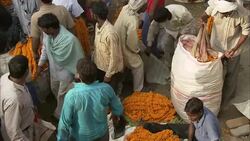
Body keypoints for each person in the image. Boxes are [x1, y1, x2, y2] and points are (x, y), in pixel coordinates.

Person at [57, 58, 123, 141]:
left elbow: (64, 124)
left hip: (80, 137)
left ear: (79, 76)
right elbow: (118, 110)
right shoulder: (106, 89)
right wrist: (115, 114)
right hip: (102, 134)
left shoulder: (71, 95)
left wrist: (61, 139)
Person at [202, 0, 250, 105]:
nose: (223, 15)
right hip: (216, 45)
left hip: (233, 47)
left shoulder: (243, 14)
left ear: (232, 9)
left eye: (226, 13)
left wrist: (234, 48)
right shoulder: (215, 6)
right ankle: (215, 95)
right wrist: (203, 20)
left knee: (231, 73)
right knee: (216, 70)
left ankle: (227, 97)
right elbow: (205, 15)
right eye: (221, 13)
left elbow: (245, 32)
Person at [37, 13, 84, 119]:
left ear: (52, 28)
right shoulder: (47, 36)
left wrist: (78, 75)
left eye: (45, 30)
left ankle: (61, 116)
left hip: (66, 75)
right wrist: (40, 64)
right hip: (54, 73)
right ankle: (62, 112)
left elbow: (79, 59)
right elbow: (45, 49)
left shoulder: (70, 40)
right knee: (55, 91)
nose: (43, 32)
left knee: (63, 96)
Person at [92, 1, 124, 94]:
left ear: (95, 15)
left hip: (110, 71)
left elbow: (115, 57)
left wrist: (108, 75)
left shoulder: (110, 33)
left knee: (110, 93)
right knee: (102, 91)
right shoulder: (97, 26)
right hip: (99, 66)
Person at [114, 0, 147, 91]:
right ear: (140, 6)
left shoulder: (126, 8)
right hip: (123, 46)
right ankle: (138, 90)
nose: (147, 6)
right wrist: (137, 51)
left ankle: (125, 79)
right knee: (138, 65)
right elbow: (131, 43)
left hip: (117, 40)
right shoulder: (132, 20)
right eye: (146, 4)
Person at [0, 55, 35, 140]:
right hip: (23, 132)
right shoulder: (14, 100)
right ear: (27, 71)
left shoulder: (6, 77)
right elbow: (14, 133)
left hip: (26, 120)